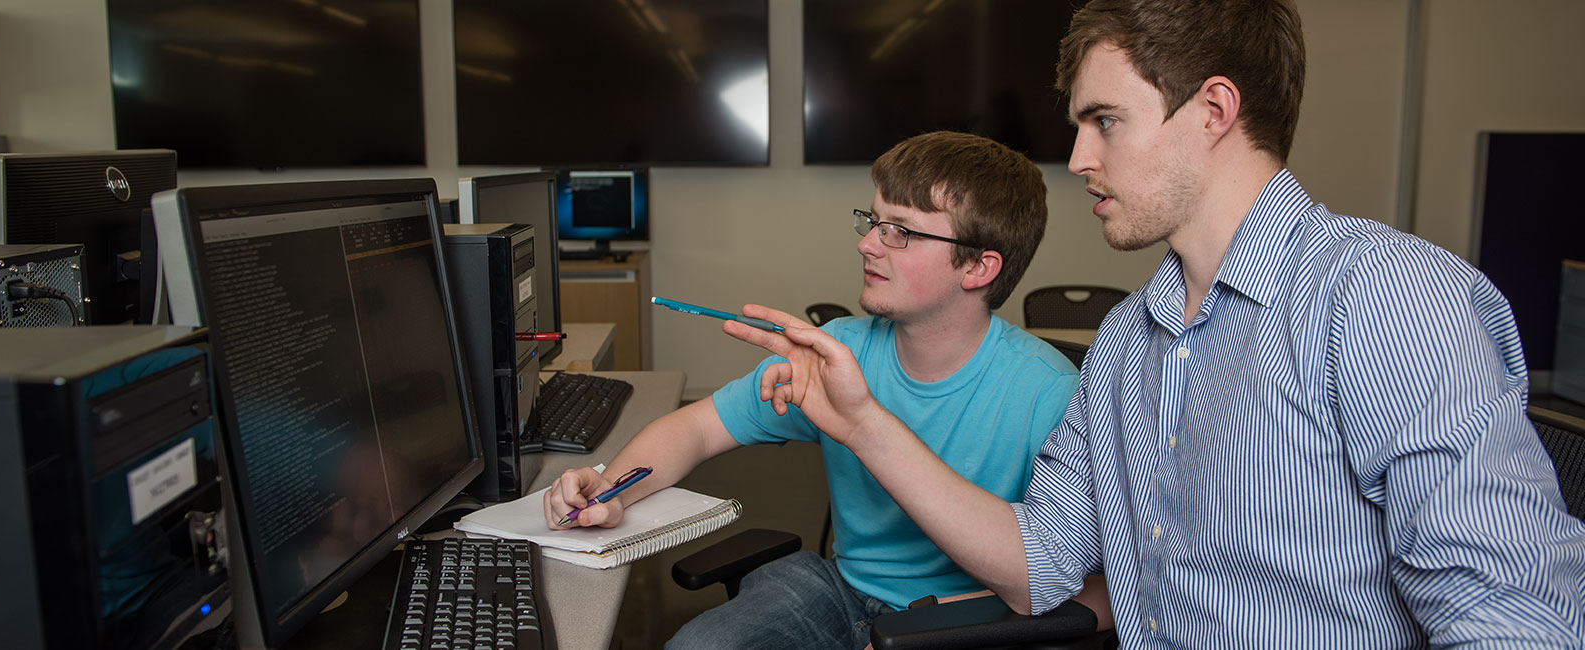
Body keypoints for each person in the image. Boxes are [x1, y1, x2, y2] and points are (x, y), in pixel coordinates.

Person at [723, 0, 1585, 646]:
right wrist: (864, 423)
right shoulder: (1129, 346)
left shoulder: (1382, 299)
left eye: (1105, 121)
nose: (1078, 159)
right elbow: (1037, 567)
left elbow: (1510, 619)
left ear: (1213, 111)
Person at [543, 131, 1082, 649]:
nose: (867, 243)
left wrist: (939, 632)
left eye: (900, 230)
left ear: (978, 267)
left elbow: (1076, 586)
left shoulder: (1048, 392)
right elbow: (698, 427)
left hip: (967, 612)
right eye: (873, 221)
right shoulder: (840, 352)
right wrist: (608, 492)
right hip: (843, 589)